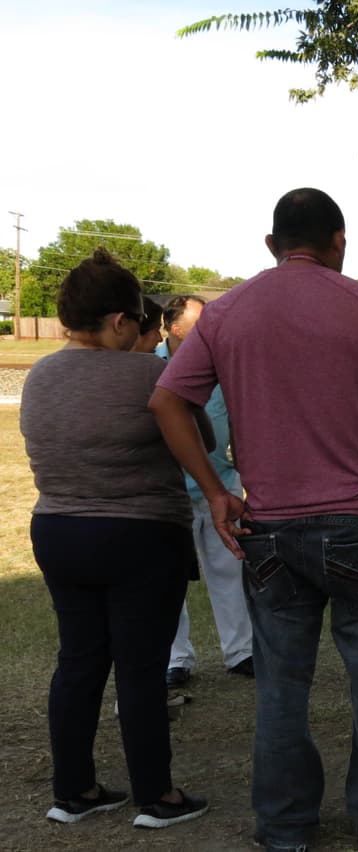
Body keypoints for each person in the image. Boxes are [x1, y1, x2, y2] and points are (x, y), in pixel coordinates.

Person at [149, 188, 358, 852]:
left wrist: (215, 492)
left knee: (281, 686)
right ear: (340, 241)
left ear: (271, 244)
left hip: (272, 527)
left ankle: (284, 827)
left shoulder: (227, 313)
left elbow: (167, 401)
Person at [20, 249, 210, 829]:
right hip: (139, 534)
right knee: (140, 668)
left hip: (58, 530)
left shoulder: (39, 375)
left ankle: (73, 790)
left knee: (77, 662)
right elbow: (200, 435)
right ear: (121, 320)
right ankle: (157, 795)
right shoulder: (150, 375)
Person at [158, 295, 254, 687]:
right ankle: (175, 660)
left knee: (231, 570)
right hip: (169, 493)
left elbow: (241, 423)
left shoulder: (221, 364)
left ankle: (241, 652)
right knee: (169, 581)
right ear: (176, 329)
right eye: (201, 321)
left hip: (222, 485)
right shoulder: (151, 366)